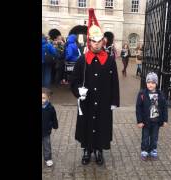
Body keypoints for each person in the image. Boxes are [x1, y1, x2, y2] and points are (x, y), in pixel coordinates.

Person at [70, 8, 120, 166]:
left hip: (104, 101)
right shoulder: (81, 60)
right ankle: (86, 150)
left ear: (103, 42)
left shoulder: (110, 60)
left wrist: (114, 101)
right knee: (87, 125)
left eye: (99, 41)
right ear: (89, 41)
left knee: (101, 125)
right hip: (87, 101)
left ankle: (99, 150)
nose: (96, 44)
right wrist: (79, 92)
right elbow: (74, 81)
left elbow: (115, 81)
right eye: (94, 41)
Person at [136, 72, 168, 161]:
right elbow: (138, 108)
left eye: (153, 83)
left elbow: (164, 107)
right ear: (146, 83)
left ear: (156, 84)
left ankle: (153, 149)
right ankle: (144, 150)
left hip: (156, 121)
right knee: (145, 137)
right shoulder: (142, 93)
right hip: (146, 121)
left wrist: (165, 120)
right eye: (148, 82)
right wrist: (139, 121)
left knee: (154, 137)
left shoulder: (160, 94)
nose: (150, 85)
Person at [42, 87, 58, 167]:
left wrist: (55, 125)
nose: (42, 100)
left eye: (43, 98)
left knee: (47, 145)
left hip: (46, 131)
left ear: (48, 98)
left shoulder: (51, 108)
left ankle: (47, 158)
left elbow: (54, 118)